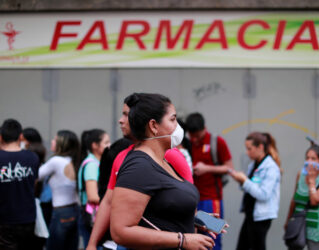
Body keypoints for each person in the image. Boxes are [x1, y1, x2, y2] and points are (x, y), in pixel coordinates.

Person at [110, 93, 215, 249]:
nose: (177, 126)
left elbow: (161, 208)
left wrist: (196, 218)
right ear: (153, 126)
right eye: (172, 119)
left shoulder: (161, 161)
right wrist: (182, 240)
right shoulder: (139, 167)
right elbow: (120, 231)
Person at [87, 97, 194, 250]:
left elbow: (186, 201)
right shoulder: (122, 156)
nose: (121, 120)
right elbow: (108, 202)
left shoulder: (171, 156)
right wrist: (92, 244)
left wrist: (191, 234)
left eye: (126, 115)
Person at [185, 112, 233, 250]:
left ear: (204, 128)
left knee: (213, 237)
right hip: (193, 199)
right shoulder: (189, 144)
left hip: (211, 200)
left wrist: (207, 168)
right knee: (195, 237)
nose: (195, 139)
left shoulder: (217, 142)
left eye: (198, 136)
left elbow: (229, 168)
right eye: (192, 136)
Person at [229, 132, 281, 250]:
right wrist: (240, 180)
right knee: (242, 246)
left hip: (261, 216)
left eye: (249, 149)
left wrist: (245, 181)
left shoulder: (271, 167)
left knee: (257, 246)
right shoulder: (253, 164)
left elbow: (264, 194)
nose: (247, 153)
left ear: (260, 147)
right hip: (250, 213)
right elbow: (250, 186)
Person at [0, 119, 40, 250]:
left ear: (1, 137)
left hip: (3, 219)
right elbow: (33, 185)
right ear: (21, 136)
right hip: (27, 218)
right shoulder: (32, 157)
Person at [285, 145, 319, 250]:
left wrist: (312, 182)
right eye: (307, 158)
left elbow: (314, 201)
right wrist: (288, 220)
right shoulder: (300, 175)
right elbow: (294, 199)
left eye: (313, 159)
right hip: (298, 224)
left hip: (315, 227)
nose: (309, 162)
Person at [38, 130, 80, 250]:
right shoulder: (72, 160)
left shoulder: (56, 161)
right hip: (74, 209)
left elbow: (34, 175)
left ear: (62, 144)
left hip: (61, 211)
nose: (52, 141)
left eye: (55, 140)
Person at [77, 129, 111, 248]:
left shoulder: (95, 162)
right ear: (95, 146)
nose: (109, 146)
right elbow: (92, 196)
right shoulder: (92, 165)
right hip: (90, 216)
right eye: (106, 142)